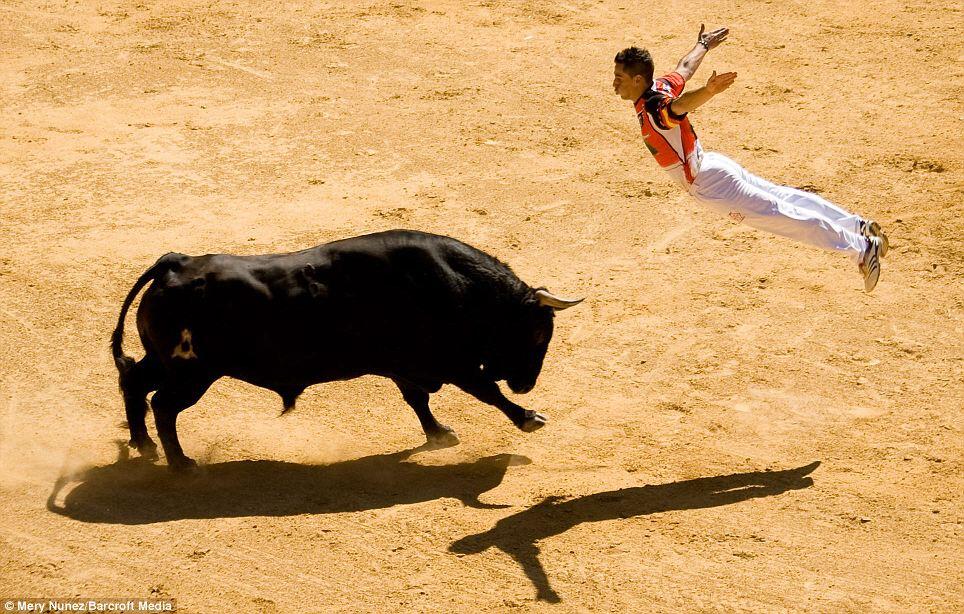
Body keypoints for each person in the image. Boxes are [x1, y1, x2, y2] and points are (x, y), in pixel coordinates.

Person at [613, 25, 888, 291]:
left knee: (784, 216)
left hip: (710, 185)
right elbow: (684, 69)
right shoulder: (659, 87)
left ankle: (862, 249)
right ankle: (859, 227)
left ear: (638, 80)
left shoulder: (654, 109)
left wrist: (708, 92)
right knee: (786, 199)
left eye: (619, 78)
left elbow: (679, 107)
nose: (614, 84)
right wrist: (703, 45)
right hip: (713, 165)